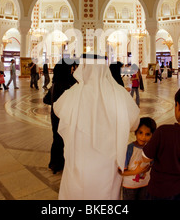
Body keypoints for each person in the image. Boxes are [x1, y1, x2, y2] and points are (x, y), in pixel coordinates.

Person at [53, 55, 140, 200]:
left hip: (78, 160)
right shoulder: (119, 93)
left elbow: (58, 109)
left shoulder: (73, 93)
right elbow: (134, 123)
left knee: (77, 191)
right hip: (108, 162)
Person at [43, 59, 77, 174]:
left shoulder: (55, 83)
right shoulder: (68, 84)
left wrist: (54, 103)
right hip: (65, 117)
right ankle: (62, 163)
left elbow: (46, 100)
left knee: (57, 139)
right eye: (71, 68)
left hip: (55, 116)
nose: (72, 70)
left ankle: (54, 164)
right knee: (64, 139)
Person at [120, 117, 157, 200]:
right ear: (135, 132)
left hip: (145, 185)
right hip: (129, 187)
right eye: (140, 133)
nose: (143, 137)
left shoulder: (151, 149)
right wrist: (136, 171)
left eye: (147, 134)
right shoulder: (129, 149)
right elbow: (121, 171)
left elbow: (151, 165)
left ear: (152, 135)